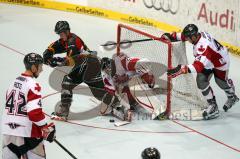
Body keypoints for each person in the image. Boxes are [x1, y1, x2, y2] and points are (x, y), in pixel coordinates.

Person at [43, 21, 118, 120]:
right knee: (67, 83)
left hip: (90, 67)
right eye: (59, 34)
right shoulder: (66, 39)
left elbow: (69, 63)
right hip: (82, 67)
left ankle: (118, 104)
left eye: (61, 34)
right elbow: (56, 46)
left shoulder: (73, 42)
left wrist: (54, 62)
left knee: (98, 93)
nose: (60, 36)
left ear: (67, 31)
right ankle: (64, 112)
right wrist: (48, 52)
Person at [163, 24, 239, 120]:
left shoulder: (203, 46)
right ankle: (213, 106)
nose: (187, 40)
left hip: (220, 61)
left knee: (220, 82)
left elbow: (198, 66)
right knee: (201, 81)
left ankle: (232, 97)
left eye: (188, 38)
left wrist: (181, 69)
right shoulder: (197, 35)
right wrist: (171, 36)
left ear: (194, 36)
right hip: (209, 60)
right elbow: (183, 36)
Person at [2, 53, 56, 159]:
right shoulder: (32, 85)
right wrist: (45, 128)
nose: (42, 70)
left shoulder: (13, 82)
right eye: (40, 66)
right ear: (33, 67)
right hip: (27, 134)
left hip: (8, 131)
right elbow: (34, 113)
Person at [100, 52, 155, 120]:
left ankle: (157, 109)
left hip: (143, 84)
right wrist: (124, 109)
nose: (108, 70)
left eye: (109, 67)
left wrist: (127, 76)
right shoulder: (106, 77)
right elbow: (114, 94)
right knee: (103, 109)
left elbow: (144, 62)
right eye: (105, 69)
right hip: (129, 93)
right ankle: (127, 106)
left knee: (134, 81)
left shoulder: (122, 61)